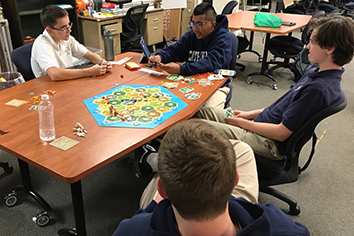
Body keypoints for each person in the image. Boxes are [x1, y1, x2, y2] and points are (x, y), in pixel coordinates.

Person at [194, 14, 354, 160]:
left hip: (267, 141)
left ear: (329, 49)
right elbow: (281, 107)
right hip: (260, 124)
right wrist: (249, 115)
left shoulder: (318, 90)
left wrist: (243, 124)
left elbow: (281, 133)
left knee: (194, 128)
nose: (307, 47)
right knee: (200, 112)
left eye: (312, 42)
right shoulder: (316, 72)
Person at [112, 120, 310, 236]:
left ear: (163, 191)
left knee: (149, 195)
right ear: (235, 180)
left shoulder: (131, 230)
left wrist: (156, 205)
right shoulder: (282, 227)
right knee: (243, 150)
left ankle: (151, 162)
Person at [149, 3, 235, 108]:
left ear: (212, 24)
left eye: (199, 24)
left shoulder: (223, 38)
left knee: (208, 111)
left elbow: (212, 62)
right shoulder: (192, 35)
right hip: (190, 80)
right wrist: (160, 56)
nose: (195, 28)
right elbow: (176, 50)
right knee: (165, 101)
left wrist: (181, 69)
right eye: (193, 23)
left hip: (216, 86)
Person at [31, 5, 112, 81]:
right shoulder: (42, 45)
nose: (69, 30)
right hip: (50, 87)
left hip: (67, 81)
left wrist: (102, 63)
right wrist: (90, 72)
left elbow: (88, 54)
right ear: (49, 30)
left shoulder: (65, 37)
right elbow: (54, 74)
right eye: (63, 28)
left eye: (68, 25)